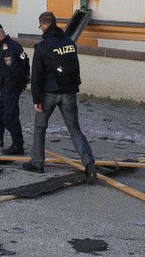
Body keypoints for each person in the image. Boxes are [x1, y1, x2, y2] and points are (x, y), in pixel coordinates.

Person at [23, 11, 96, 182]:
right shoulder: (70, 43)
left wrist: (36, 99)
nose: (41, 28)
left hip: (48, 94)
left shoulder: (42, 47)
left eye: (40, 26)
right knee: (74, 129)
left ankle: (37, 163)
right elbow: (75, 67)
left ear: (44, 25)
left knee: (40, 128)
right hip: (68, 93)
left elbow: (37, 76)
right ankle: (90, 165)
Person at [0, 24, 30, 155]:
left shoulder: (8, 48)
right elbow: (25, 61)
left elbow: (16, 68)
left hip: (11, 86)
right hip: (7, 87)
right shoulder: (9, 45)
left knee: (10, 116)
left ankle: (18, 145)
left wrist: (20, 83)